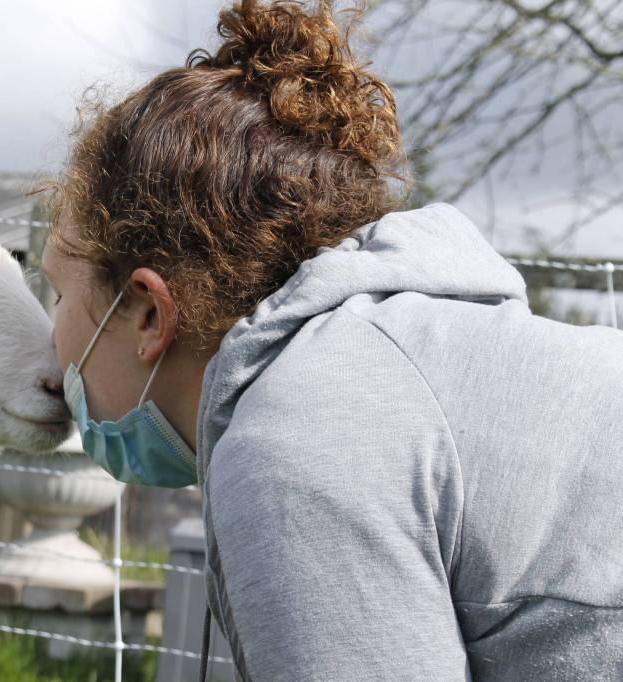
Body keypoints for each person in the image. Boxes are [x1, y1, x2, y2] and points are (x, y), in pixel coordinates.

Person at [39, 1, 623, 679]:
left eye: (56, 291)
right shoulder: (414, 362)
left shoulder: (298, 441)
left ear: (146, 312)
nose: (51, 339)